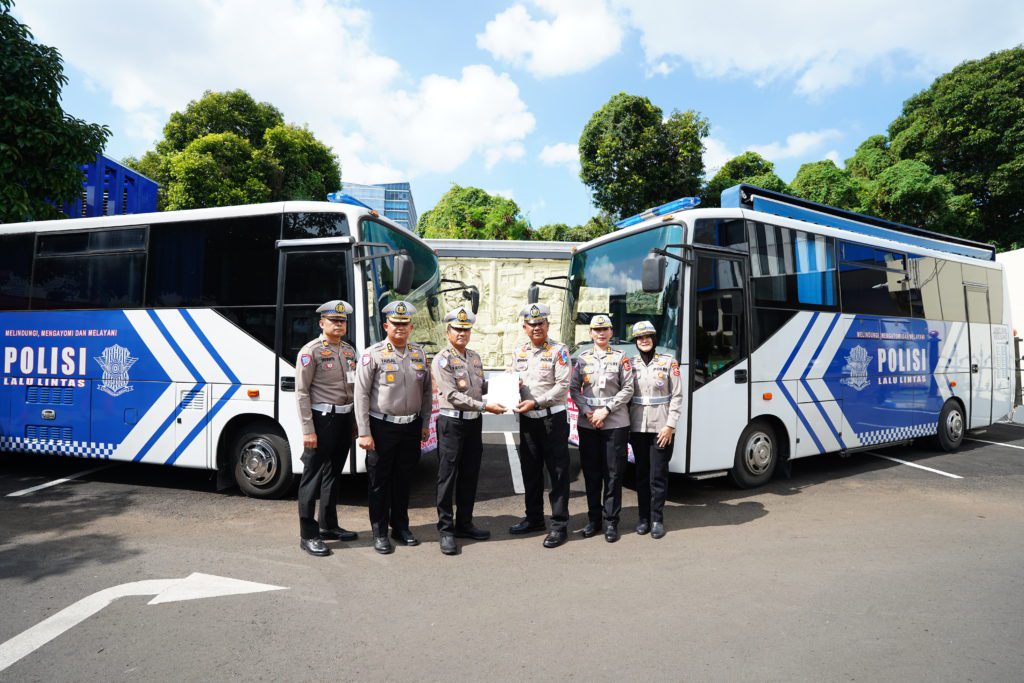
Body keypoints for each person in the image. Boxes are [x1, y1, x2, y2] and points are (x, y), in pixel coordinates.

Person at [355, 300, 432, 555]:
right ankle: (379, 533)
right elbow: (361, 394)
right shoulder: (373, 354)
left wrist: (425, 422)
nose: (400, 327)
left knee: (403, 480)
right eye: (395, 323)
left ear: (411, 328)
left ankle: (400, 527)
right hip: (381, 427)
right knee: (379, 482)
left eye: (404, 324)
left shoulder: (419, 354)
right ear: (385, 325)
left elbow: (427, 391)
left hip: (410, 426)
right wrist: (364, 432)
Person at [431, 306, 507, 555]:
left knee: (469, 474)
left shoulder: (474, 357)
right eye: (457, 329)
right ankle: (445, 530)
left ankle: (464, 523)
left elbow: (479, 387)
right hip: (452, 423)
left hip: (473, 422)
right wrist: (485, 406)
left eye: (466, 329)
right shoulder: (442, 359)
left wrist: (506, 385)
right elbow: (452, 395)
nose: (462, 333)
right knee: (447, 476)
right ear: (448, 332)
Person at [295, 300, 360, 557]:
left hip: (343, 419)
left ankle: (329, 525)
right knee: (312, 477)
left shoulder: (349, 351)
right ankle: (308, 535)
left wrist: (354, 421)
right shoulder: (310, 351)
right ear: (322, 323)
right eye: (334, 320)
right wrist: (308, 430)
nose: (339, 324)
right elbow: (302, 392)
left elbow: (354, 388)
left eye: (342, 321)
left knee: (333, 474)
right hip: (322, 420)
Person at [509, 303, 573, 548]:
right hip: (528, 420)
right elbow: (510, 378)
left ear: (547, 325)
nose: (536, 327)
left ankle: (559, 525)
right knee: (530, 471)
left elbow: (562, 386)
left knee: (557, 473)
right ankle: (534, 518)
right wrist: (508, 390)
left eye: (540, 323)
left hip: (551, 419)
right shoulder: (519, 351)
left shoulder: (559, 350)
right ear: (525, 327)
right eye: (532, 324)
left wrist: (536, 402)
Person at [569, 314, 634, 542]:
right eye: (597, 330)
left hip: (614, 422)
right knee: (592, 474)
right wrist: (588, 411)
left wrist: (606, 410)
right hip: (588, 423)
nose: (601, 333)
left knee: (613, 474)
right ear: (590, 333)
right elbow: (574, 389)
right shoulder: (583, 358)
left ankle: (611, 522)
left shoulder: (621, 357)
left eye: (605, 329)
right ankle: (594, 520)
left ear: (611, 332)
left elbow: (628, 389)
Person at [628, 320, 683, 539]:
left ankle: (657, 519)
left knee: (658, 475)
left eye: (647, 336)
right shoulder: (629, 364)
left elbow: (677, 396)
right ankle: (643, 518)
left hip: (662, 428)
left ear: (654, 338)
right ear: (635, 341)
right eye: (640, 338)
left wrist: (670, 425)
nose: (644, 340)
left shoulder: (669, 362)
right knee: (641, 475)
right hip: (638, 426)